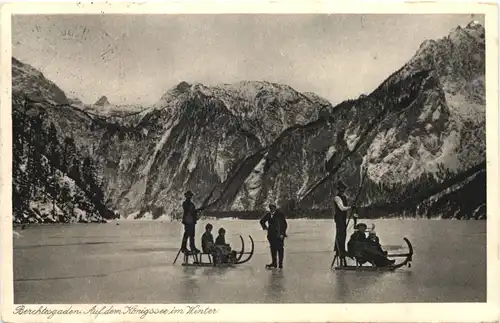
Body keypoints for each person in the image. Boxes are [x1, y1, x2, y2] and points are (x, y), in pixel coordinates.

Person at [260, 204, 288, 269]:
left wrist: (282, 234)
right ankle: (274, 263)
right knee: (273, 249)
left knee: (280, 249)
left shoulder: (280, 214)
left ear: (275, 208)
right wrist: (265, 228)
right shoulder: (268, 214)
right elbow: (262, 221)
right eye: (270, 208)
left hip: (279, 235)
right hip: (271, 235)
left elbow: (284, 225)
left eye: (272, 208)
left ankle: (280, 264)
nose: (271, 209)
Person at [333, 181, 353, 266]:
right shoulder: (337, 198)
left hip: (343, 218)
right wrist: (350, 207)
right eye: (341, 189)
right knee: (340, 234)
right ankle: (340, 251)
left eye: (343, 189)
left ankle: (342, 250)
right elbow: (341, 208)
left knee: (343, 234)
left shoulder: (344, 197)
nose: (342, 190)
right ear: (338, 189)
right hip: (338, 218)